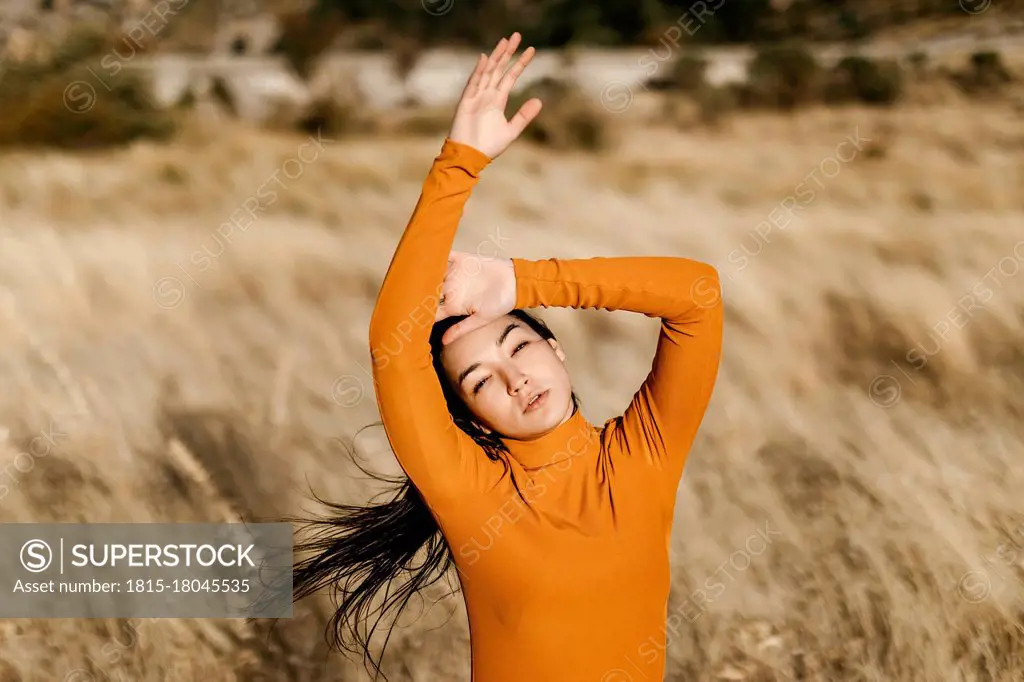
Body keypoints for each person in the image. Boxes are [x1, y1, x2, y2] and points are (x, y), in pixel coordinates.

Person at [290, 32, 724, 682]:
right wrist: (458, 163)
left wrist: (520, 283)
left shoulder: (642, 459)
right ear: (471, 416)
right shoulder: (472, 494)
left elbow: (697, 295)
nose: (515, 377)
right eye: (479, 380)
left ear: (555, 348)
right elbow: (393, 345)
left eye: (519, 344)